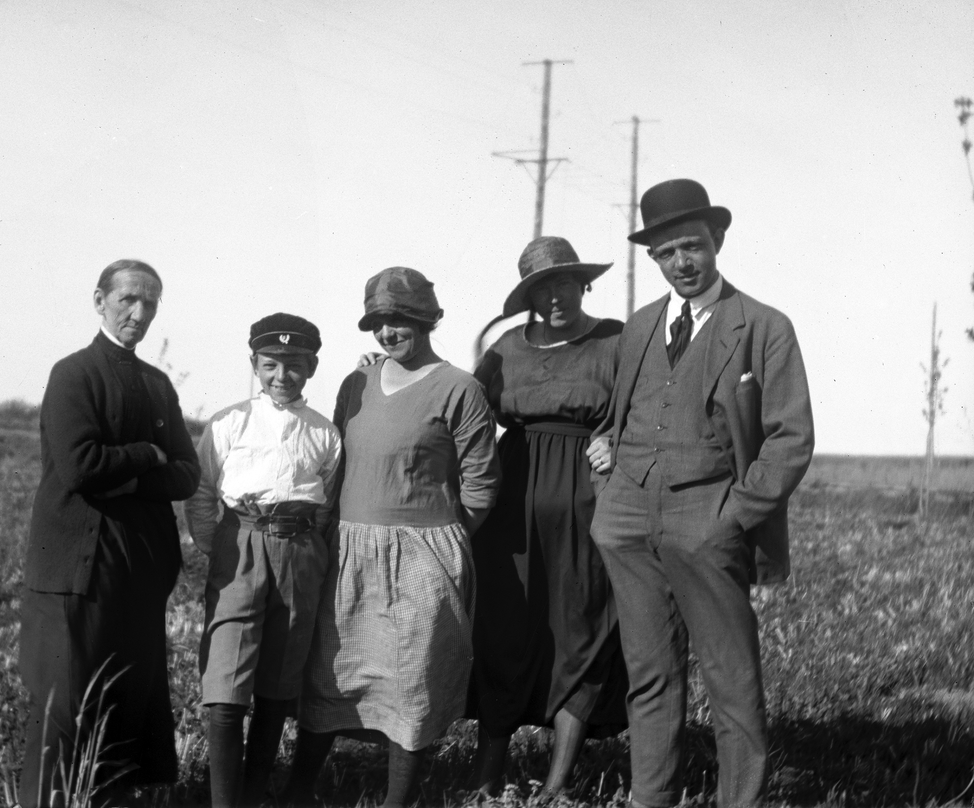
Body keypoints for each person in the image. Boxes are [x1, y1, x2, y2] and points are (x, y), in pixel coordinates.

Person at [587, 180, 814, 808]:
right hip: (628, 519)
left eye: (692, 247)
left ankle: (738, 800)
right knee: (649, 672)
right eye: (666, 253)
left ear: (717, 240)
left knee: (730, 676)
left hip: (708, 516)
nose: (681, 263)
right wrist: (608, 468)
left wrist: (733, 515)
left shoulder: (763, 326)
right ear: (652, 258)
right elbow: (623, 413)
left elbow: (791, 437)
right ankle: (651, 797)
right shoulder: (640, 326)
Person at [284, 267, 501, 808]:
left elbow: (480, 484)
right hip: (349, 551)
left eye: (399, 320)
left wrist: (439, 546)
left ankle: (396, 800)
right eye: (378, 322)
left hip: (423, 555)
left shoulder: (460, 388)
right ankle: (296, 790)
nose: (387, 332)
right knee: (332, 671)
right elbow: (334, 463)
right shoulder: (356, 383)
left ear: (426, 321)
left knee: (412, 680)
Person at [18, 259, 201, 808]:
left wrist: (131, 478)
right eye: (128, 300)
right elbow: (81, 468)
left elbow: (187, 474)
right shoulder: (73, 374)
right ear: (100, 301)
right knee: (66, 699)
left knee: (126, 694)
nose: (139, 313)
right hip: (77, 564)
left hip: (139, 568)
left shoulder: (157, 384)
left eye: (150, 303)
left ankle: (109, 798)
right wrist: (147, 453)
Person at [469, 236, 629, 795]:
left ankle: (557, 784)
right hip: (510, 505)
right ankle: (486, 778)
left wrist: (616, 438)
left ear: (583, 283)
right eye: (541, 289)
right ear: (529, 298)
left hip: (589, 501)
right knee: (504, 628)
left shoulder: (616, 339)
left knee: (580, 627)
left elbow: (651, 403)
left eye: (563, 282)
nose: (555, 297)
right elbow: (460, 406)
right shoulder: (505, 348)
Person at [184, 313, 343, 808]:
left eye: (294, 365)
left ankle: (254, 795)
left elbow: (326, 504)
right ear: (254, 364)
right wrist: (219, 549)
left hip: (299, 552)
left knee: (279, 680)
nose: (282, 376)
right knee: (226, 683)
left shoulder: (325, 433)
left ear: (312, 367)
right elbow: (202, 494)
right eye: (271, 364)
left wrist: (306, 551)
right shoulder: (229, 422)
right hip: (240, 546)